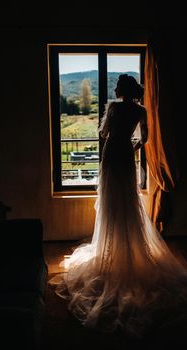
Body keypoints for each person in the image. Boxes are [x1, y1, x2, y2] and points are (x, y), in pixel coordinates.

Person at [49, 74, 187, 337]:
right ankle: (128, 248)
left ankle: (112, 250)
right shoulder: (141, 110)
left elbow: (103, 133)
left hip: (111, 156)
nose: (114, 89)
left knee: (112, 205)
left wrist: (114, 136)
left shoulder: (113, 107)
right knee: (128, 203)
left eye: (117, 86)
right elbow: (144, 139)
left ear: (122, 89)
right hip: (125, 156)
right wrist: (130, 146)